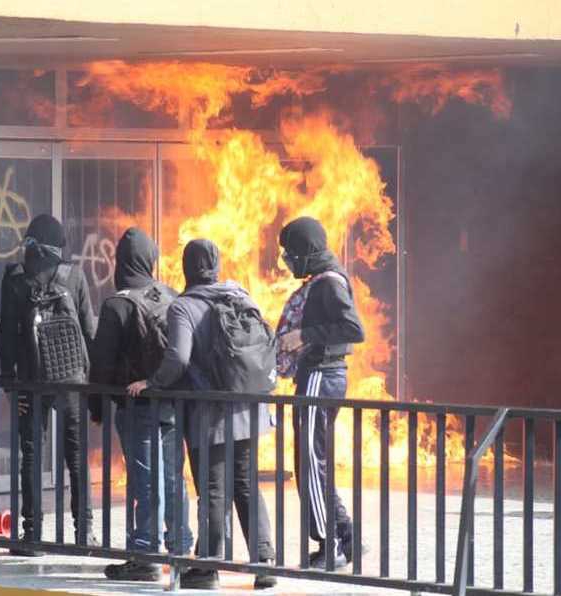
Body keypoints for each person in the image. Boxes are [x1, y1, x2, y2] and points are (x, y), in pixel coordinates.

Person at [128, 239, 277, 590]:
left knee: (212, 489)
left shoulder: (184, 307)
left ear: (186, 267)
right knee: (246, 484)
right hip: (250, 408)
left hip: (210, 416)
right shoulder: (240, 295)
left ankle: (208, 566)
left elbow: (178, 358)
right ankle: (265, 560)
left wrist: (152, 382)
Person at [89, 228, 194, 581]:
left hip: (136, 405)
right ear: (151, 260)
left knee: (144, 480)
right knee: (172, 477)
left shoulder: (116, 304)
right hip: (172, 403)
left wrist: (97, 407)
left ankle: (145, 554)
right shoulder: (171, 295)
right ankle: (180, 547)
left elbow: (101, 366)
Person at [0, 214, 96, 555]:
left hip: (31, 381)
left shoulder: (15, 279)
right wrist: (92, 383)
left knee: (31, 456)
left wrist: (9, 381)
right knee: (76, 455)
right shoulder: (75, 276)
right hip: (72, 380)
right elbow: (88, 331)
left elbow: (7, 335)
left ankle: (33, 535)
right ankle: (84, 534)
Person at [275, 216, 364, 569]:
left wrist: (304, 336)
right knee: (314, 463)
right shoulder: (326, 279)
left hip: (321, 375)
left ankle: (332, 544)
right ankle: (343, 536)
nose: (288, 260)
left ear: (308, 251)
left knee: (311, 464)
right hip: (321, 375)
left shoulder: (328, 283)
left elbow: (353, 328)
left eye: (292, 253)